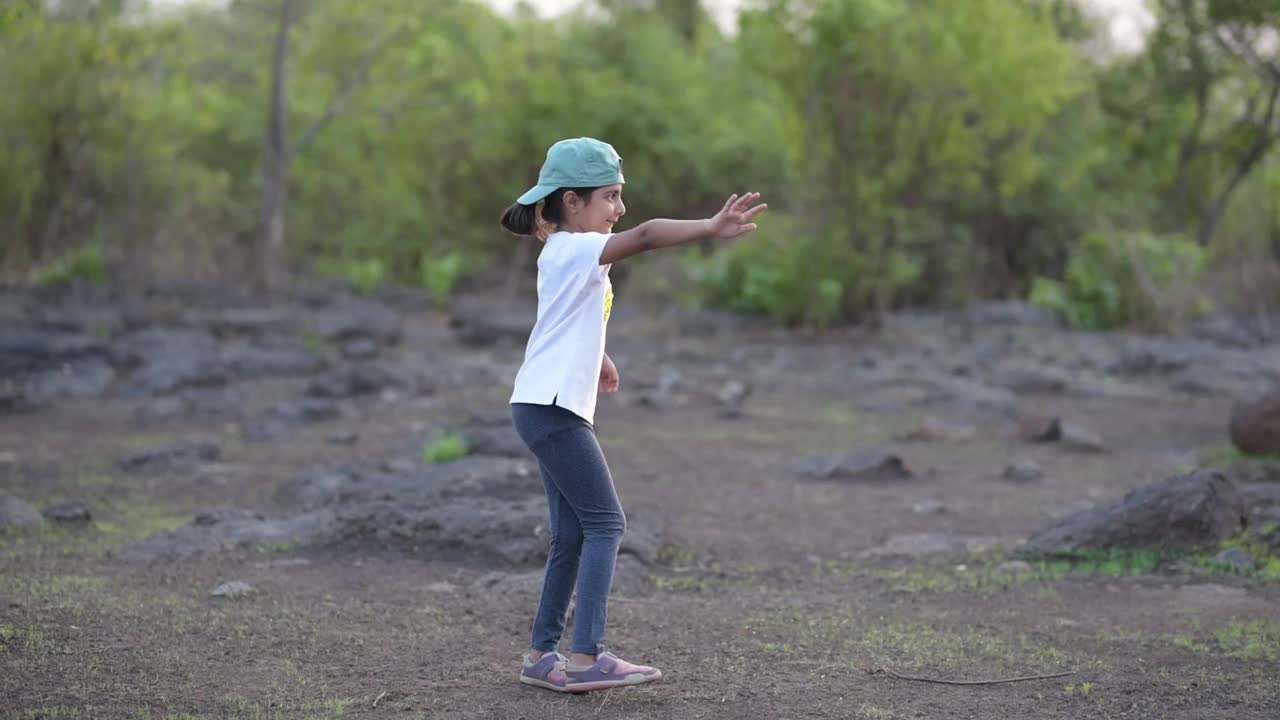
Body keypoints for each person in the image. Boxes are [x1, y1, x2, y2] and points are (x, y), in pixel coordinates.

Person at [499, 137, 766, 693]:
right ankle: (586, 656)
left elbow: (562, 320)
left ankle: (540, 655)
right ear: (572, 201)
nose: (620, 210)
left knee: (571, 534)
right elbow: (644, 237)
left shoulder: (566, 253)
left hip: (542, 402)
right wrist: (708, 227)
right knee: (606, 523)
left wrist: (598, 354)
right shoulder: (574, 247)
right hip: (552, 409)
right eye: (611, 196)